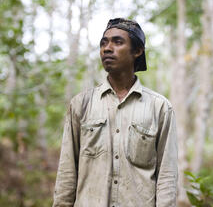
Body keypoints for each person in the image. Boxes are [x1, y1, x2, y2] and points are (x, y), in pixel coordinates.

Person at [53, 18, 178, 207]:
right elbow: (67, 172)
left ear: (137, 51)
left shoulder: (159, 108)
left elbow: (167, 177)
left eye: (117, 42)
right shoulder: (81, 104)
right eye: (103, 43)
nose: (107, 48)